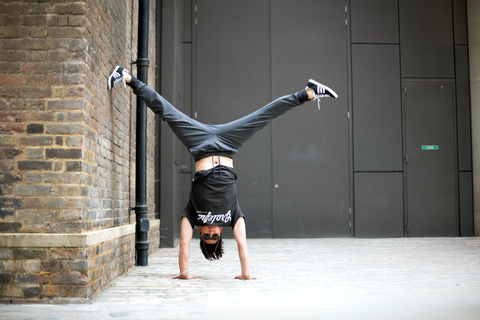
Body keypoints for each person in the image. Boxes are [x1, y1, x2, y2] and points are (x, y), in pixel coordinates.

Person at [108, 66, 338, 280]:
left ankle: (127, 77)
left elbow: (184, 245)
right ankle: (308, 92)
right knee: (263, 117)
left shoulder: (193, 215)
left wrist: (184, 272)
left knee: (166, 111)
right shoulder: (233, 217)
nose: (209, 232)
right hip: (228, 143)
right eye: (213, 236)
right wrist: (246, 274)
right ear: (220, 233)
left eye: (205, 236)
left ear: (201, 231)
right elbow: (243, 245)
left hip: (199, 144)